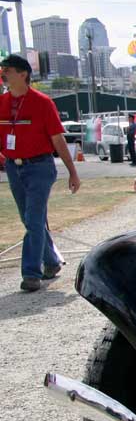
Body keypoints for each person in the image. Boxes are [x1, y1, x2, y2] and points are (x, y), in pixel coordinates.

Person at [0, 54, 81, 292]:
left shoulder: (43, 103)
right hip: (14, 168)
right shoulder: (2, 102)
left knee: (34, 219)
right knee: (30, 220)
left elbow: (58, 140)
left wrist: (72, 172)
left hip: (40, 167)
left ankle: (31, 273)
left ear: (23, 74)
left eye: (8, 70)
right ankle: (52, 261)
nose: (3, 74)